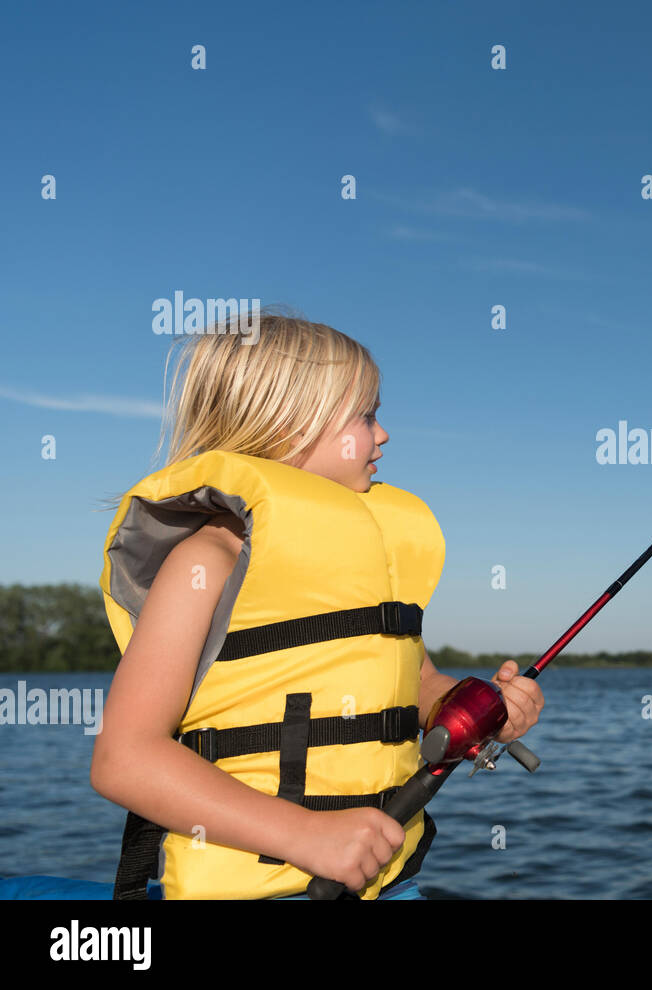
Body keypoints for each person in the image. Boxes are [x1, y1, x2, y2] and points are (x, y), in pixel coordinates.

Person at [90, 311, 542, 899]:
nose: (383, 436)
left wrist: (480, 708)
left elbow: (421, 686)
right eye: (367, 415)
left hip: (387, 883)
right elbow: (124, 759)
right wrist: (305, 834)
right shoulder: (206, 562)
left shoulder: (365, 571)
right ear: (284, 427)